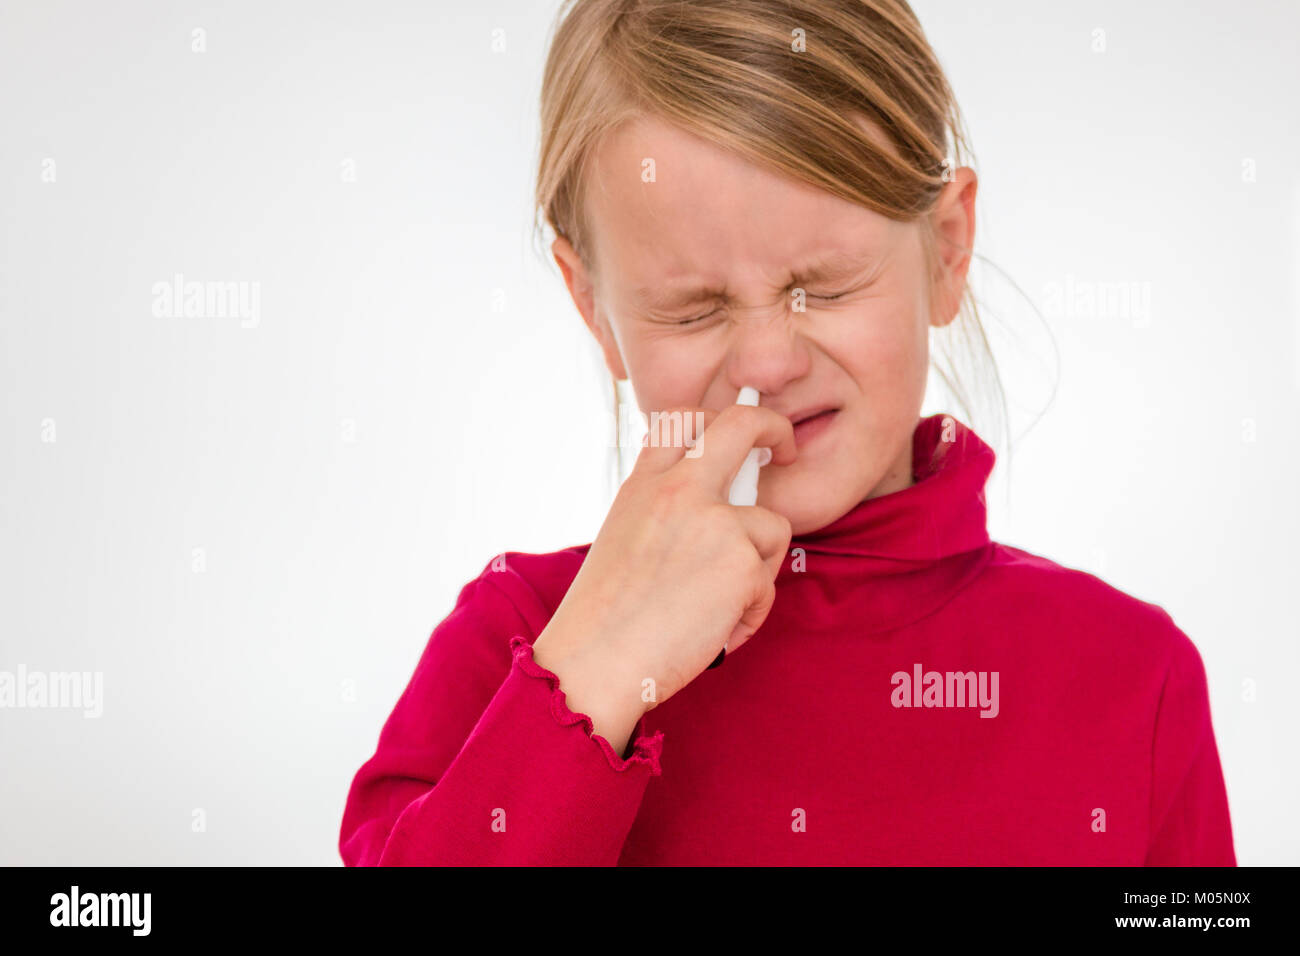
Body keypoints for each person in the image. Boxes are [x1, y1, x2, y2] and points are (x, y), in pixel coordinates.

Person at [339, 0, 1235, 865]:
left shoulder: (1134, 679)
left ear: (949, 248)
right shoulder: (515, 647)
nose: (767, 362)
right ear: (595, 311)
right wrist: (594, 679)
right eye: (693, 309)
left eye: (829, 285)